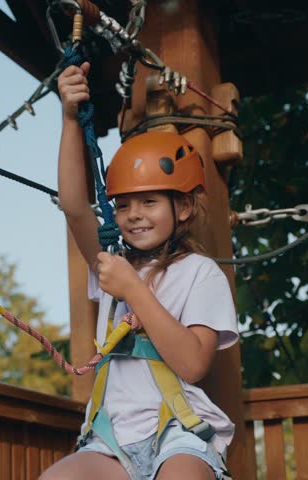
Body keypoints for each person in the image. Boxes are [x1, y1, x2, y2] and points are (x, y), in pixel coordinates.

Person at [39, 62, 239, 480]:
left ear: (182, 207)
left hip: (178, 433)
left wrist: (133, 288)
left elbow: (193, 364)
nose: (134, 216)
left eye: (149, 202)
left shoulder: (200, 274)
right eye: (124, 204)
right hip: (111, 440)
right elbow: (75, 206)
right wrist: (71, 118)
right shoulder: (112, 265)